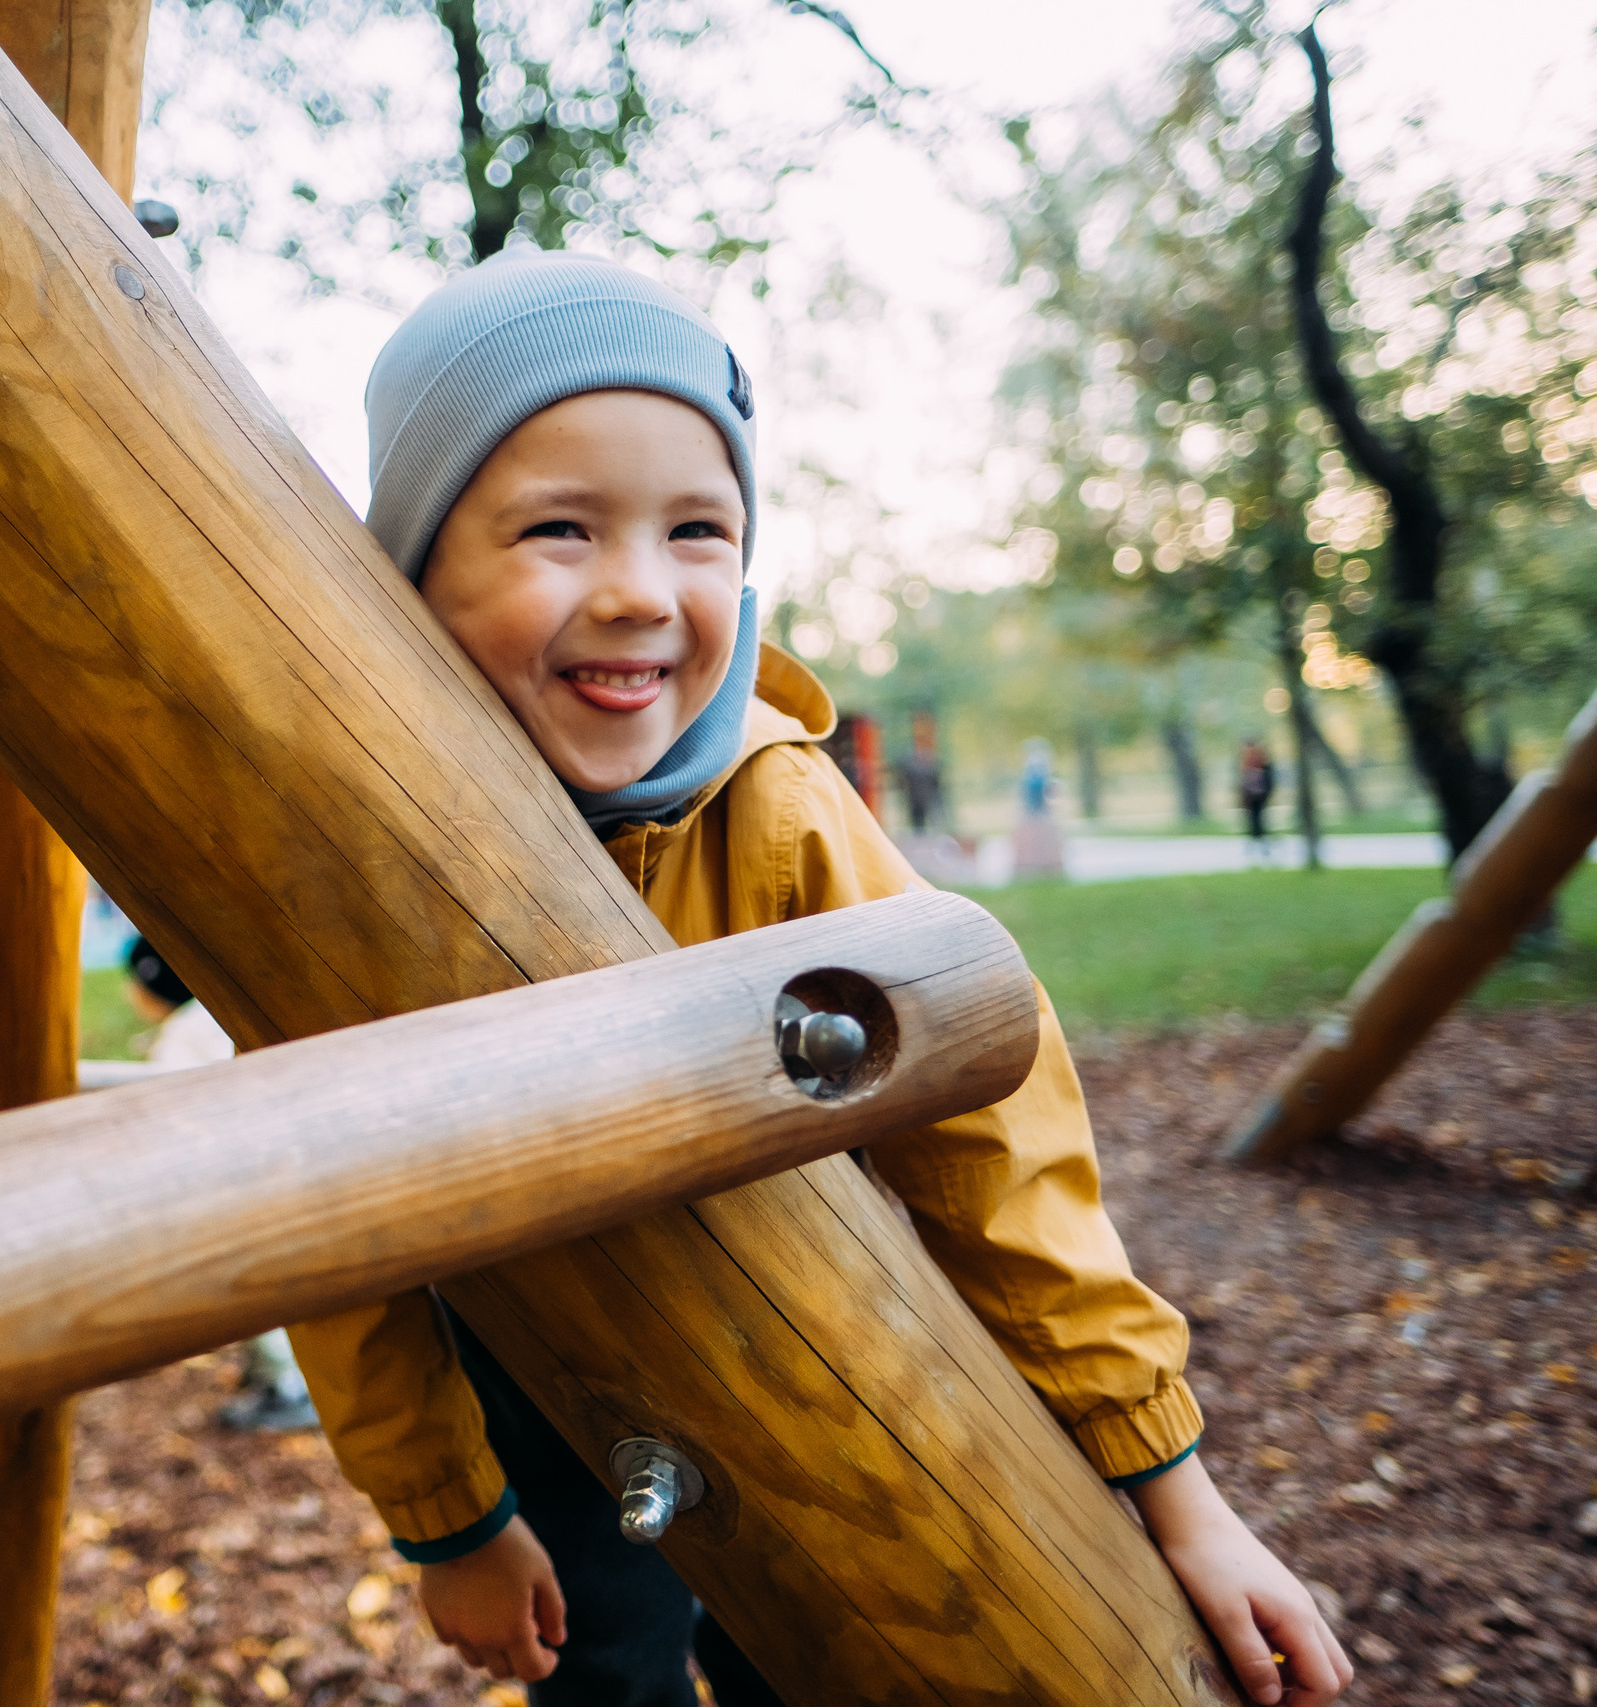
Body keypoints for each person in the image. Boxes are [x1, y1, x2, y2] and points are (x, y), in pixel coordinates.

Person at [278, 253, 1350, 1706]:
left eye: (697, 530)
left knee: (832, 1648)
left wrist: (1175, 1490)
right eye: (559, 528)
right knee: (603, 1671)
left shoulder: (777, 813)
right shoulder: (359, 858)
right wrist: (447, 1516)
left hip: (812, 1340)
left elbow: (995, 1148)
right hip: (537, 1368)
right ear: (412, 562)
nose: (640, 593)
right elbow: (329, 1213)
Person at [125, 938, 320, 1432]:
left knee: (252, 1282)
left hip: (232, 1178)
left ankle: (288, 1388)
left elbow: (170, 1125)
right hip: (284, 1160)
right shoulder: (209, 1020)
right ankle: (276, 1374)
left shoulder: (179, 1039)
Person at [1240, 738, 1277, 862]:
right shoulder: (1247, 763)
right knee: (1254, 819)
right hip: (1252, 796)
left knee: (1258, 818)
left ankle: (1260, 840)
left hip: (1259, 796)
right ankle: (1257, 840)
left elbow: (1268, 780)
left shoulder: (1260, 763)